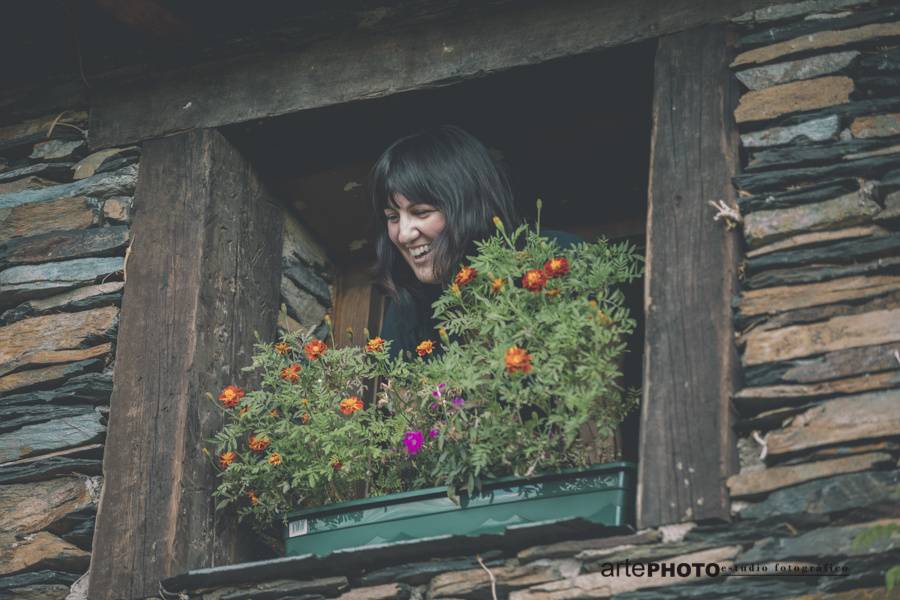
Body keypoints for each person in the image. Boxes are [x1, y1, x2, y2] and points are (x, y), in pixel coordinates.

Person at [370, 125, 579, 358]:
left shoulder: (558, 258)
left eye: (421, 212)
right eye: (393, 217)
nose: (404, 234)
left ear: (468, 206)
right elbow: (400, 394)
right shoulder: (406, 308)